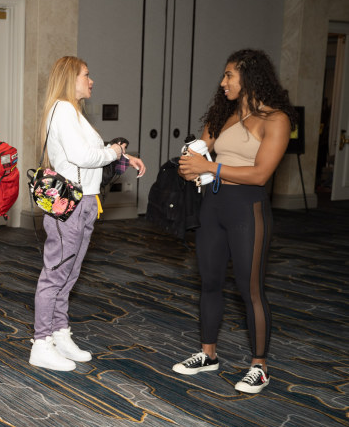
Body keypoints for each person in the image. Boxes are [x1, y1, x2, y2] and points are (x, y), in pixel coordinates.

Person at [174, 49, 295, 394]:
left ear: (250, 77)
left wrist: (208, 167)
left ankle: (260, 366)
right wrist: (188, 166)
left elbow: (260, 174)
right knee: (210, 282)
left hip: (247, 207)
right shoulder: (223, 116)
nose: (223, 82)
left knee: (250, 288)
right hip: (212, 206)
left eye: (229, 75)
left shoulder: (276, 120)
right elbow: (197, 155)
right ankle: (208, 354)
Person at [31, 56, 146, 371]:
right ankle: (41, 343)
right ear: (71, 78)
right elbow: (82, 156)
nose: (91, 80)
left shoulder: (74, 112)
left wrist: (122, 157)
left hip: (84, 201)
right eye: (86, 74)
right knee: (56, 273)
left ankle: (59, 333)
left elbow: (90, 157)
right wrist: (116, 151)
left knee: (70, 273)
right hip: (70, 202)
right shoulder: (63, 109)